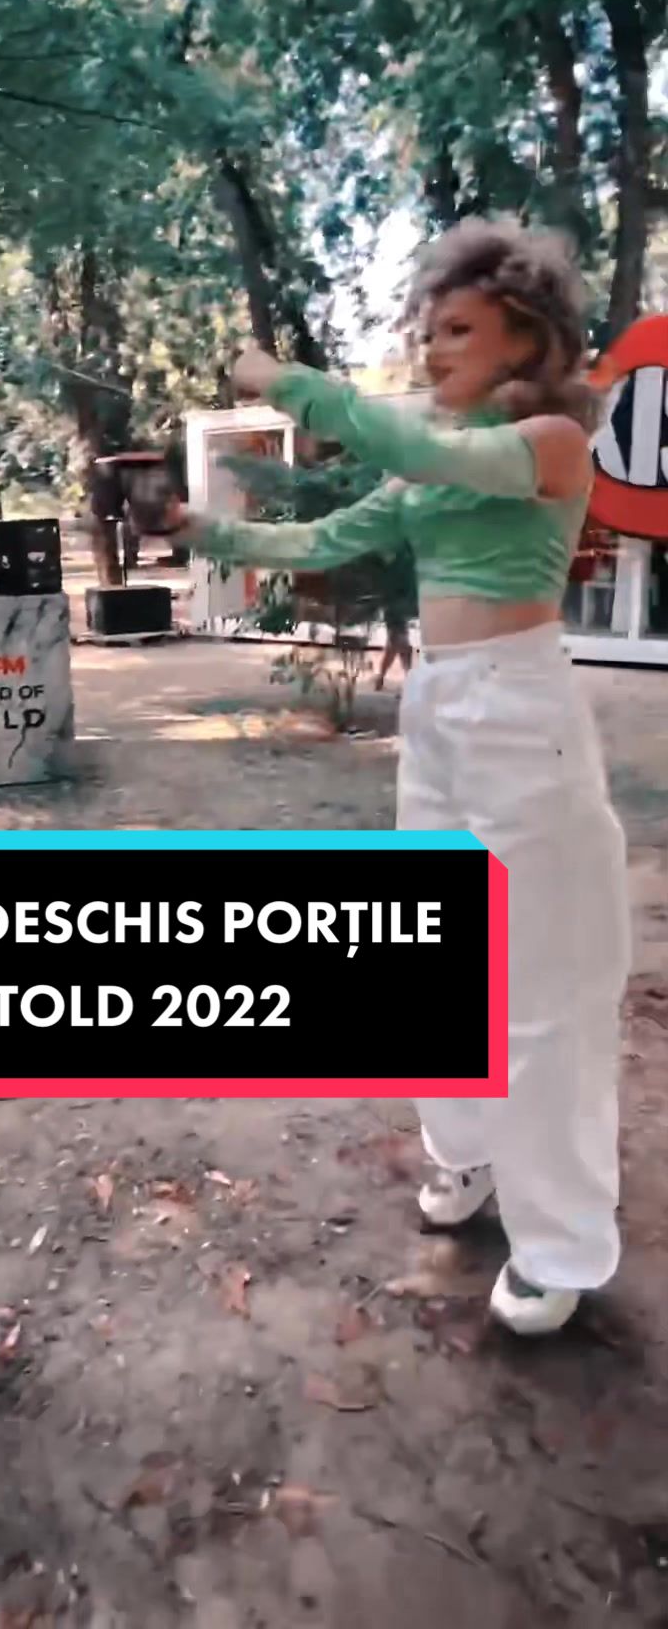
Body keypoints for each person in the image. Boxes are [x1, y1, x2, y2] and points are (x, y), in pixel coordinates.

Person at [177, 218, 630, 1337]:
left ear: (526, 336)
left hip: (524, 710)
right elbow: (328, 539)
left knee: (544, 987)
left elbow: (427, 452)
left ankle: (560, 1245)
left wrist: (291, 383)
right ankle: (465, 1151)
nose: (432, 349)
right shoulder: (430, 450)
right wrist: (214, 538)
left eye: (458, 330)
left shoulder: (549, 443)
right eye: (427, 332)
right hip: (441, 707)